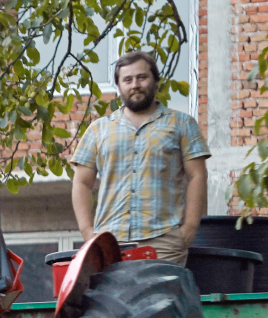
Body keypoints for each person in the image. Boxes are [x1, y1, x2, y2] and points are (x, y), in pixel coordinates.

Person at [70, 50, 211, 265]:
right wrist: (88, 233)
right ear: (118, 86)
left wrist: (188, 230)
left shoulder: (182, 124)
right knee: (113, 299)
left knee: (162, 299)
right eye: (127, 80)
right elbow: (81, 182)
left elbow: (198, 175)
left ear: (156, 81)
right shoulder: (98, 129)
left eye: (142, 77)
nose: (135, 84)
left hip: (163, 242)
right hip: (110, 243)